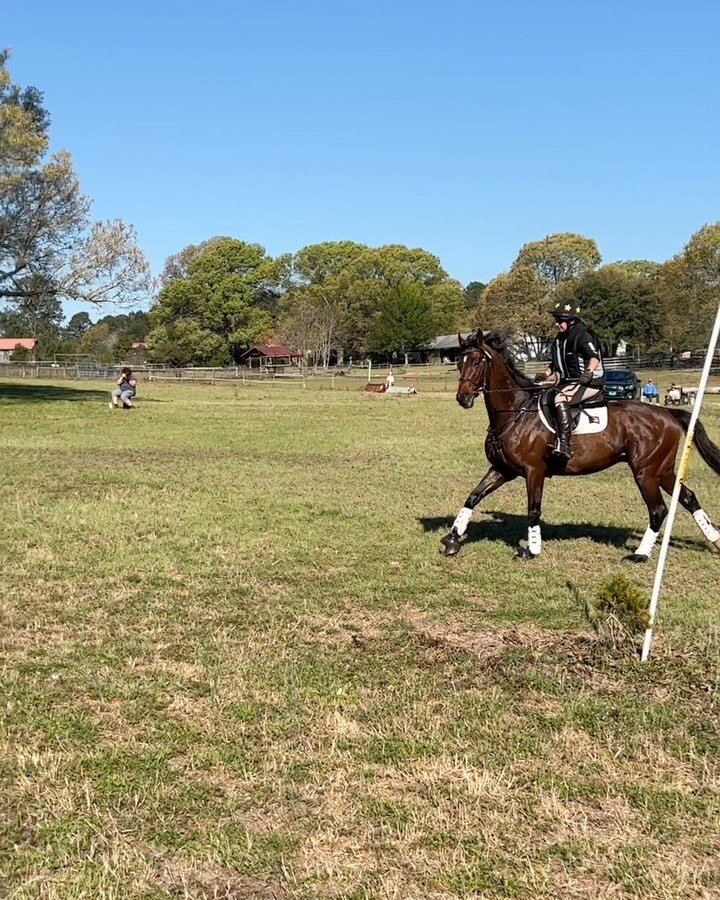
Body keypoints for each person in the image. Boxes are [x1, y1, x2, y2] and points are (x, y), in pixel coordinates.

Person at [533, 302, 605, 460]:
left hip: (590, 383)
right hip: (569, 383)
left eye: (560, 321)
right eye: (556, 320)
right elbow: (554, 365)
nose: (557, 324)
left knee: (560, 398)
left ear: (571, 321)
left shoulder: (582, 335)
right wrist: (544, 375)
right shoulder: (560, 340)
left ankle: (564, 444)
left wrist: (589, 373)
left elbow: (594, 357)